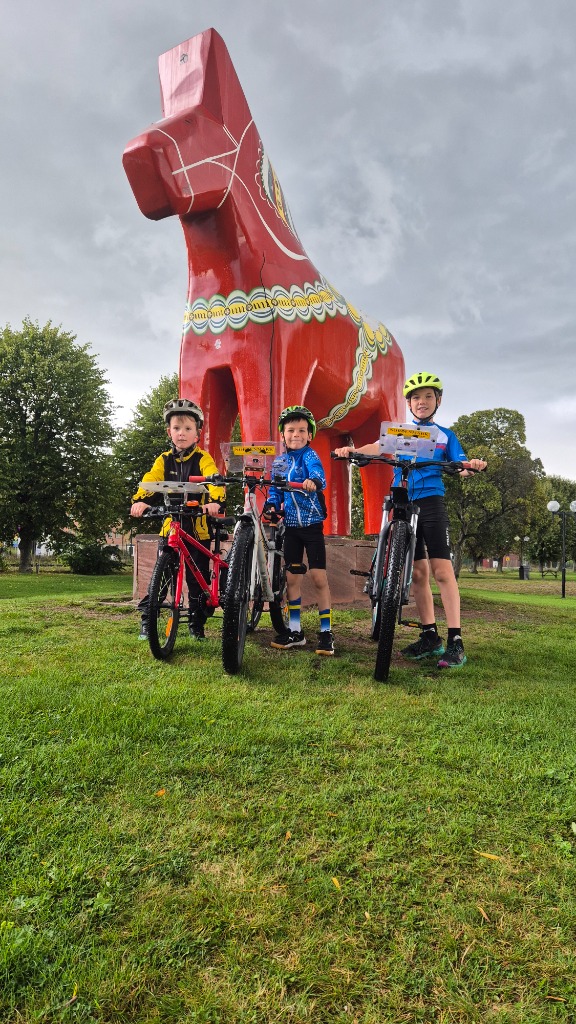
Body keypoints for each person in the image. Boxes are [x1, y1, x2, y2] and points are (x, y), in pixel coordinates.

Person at [334, 372, 487, 668]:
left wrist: (472, 466)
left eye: (428, 396)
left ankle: (455, 641)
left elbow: (462, 464)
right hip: (403, 501)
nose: (422, 402)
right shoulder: (399, 432)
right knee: (417, 574)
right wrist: (351, 451)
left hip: (431, 502)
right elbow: (375, 448)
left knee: (442, 571)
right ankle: (430, 637)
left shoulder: (445, 435)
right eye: (416, 397)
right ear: (409, 403)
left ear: (438, 401)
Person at [130, 399, 226, 640]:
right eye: (176, 428)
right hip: (171, 527)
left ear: (197, 434)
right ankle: (148, 619)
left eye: (187, 429)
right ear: (168, 431)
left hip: (198, 529)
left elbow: (214, 480)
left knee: (197, 580)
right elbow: (151, 481)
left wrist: (215, 502)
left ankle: (196, 623)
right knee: (161, 578)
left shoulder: (203, 458)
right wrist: (141, 500)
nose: (181, 433)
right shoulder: (163, 460)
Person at [265, 405, 335, 656]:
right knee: (292, 578)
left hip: (312, 527)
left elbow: (319, 475)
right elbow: (274, 490)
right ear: (283, 434)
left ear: (309, 434)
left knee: (318, 578)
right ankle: (295, 631)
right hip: (291, 528)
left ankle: (326, 632)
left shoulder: (310, 456)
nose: (296, 434)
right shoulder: (280, 462)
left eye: (302, 430)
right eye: (291, 430)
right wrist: (271, 504)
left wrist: (313, 482)